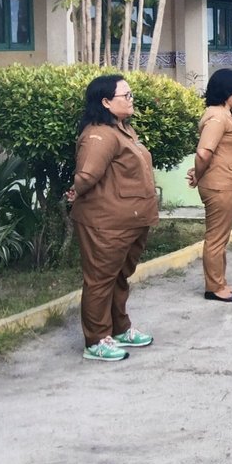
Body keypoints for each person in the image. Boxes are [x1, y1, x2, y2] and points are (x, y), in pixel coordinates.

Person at [68, 74, 159, 361]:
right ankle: (96, 340)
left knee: (119, 277)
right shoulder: (99, 134)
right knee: (100, 280)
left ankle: (120, 328)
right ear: (106, 102)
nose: (131, 100)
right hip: (105, 223)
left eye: (131, 95)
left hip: (130, 220)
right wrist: (74, 191)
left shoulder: (122, 130)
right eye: (126, 96)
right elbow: (86, 175)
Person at [191, 69, 232, 303]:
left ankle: (221, 282)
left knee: (222, 237)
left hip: (229, 182)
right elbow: (204, 152)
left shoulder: (228, 113)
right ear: (227, 91)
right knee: (216, 237)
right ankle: (214, 287)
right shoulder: (217, 116)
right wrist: (198, 173)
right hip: (219, 185)